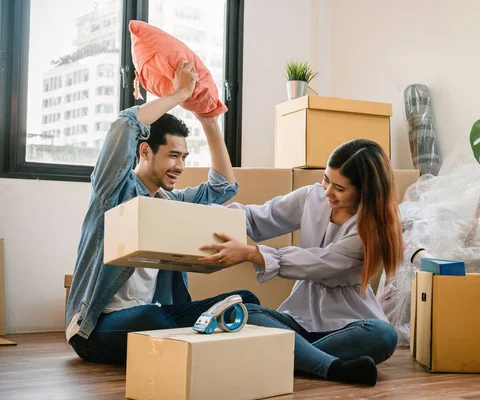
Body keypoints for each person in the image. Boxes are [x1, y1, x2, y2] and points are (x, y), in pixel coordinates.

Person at [66, 60, 259, 364]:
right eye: (172, 156)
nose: (180, 167)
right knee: (149, 317)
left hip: (155, 316)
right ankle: (200, 347)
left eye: (183, 157)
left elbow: (224, 188)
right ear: (145, 151)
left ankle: (192, 344)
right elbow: (125, 125)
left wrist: (209, 120)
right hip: (98, 329)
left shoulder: (171, 203)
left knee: (245, 302)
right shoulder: (112, 191)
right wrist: (181, 93)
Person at [199, 139, 402, 386]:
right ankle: (330, 366)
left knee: (383, 335)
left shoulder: (371, 230)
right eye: (326, 179)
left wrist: (253, 253)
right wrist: (209, 216)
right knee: (244, 312)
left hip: (347, 325)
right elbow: (262, 216)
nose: (327, 191)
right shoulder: (312, 197)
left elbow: (319, 263)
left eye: (339, 187)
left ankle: (293, 357)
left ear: (364, 192)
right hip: (298, 319)